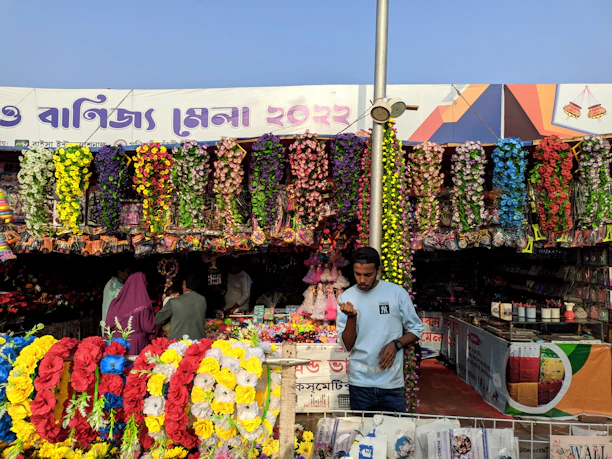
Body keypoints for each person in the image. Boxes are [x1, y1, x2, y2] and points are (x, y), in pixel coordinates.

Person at [336, 247, 424, 413]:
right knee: (362, 436)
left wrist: (396, 343)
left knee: (396, 435)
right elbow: (347, 345)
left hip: (391, 384)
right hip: (360, 383)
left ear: (378, 271)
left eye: (367, 275)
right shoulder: (346, 298)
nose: (362, 280)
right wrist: (352, 318)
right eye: (357, 274)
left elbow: (417, 329)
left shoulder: (396, 293)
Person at [105, 272, 157, 355]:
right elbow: (149, 327)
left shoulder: (114, 303)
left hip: (116, 345)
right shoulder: (143, 305)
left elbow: (108, 325)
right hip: (136, 344)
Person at [155, 273, 207, 340]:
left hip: (179, 344)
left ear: (184, 284)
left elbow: (158, 319)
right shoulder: (202, 299)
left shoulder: (173, 302)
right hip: (199, 342)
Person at [101, 265, 131, 334]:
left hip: (108, 319)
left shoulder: (111, 283)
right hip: (113, 321)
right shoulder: (117, 286)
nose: (128, 275)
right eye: (127, 272)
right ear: (120, 272)